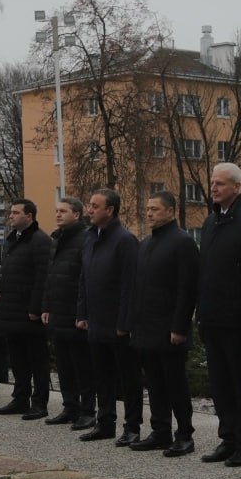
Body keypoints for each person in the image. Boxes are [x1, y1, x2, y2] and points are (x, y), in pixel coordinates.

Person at [197, 163, 241, 468]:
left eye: (221, 184)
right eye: (213, 183)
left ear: (238, 187)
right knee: (221, 384)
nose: (214, 188)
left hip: (239, 321)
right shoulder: (211, 222)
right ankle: (227, 438)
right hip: (212, 319)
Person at [130, 190, 199, 457]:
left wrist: (180, 327)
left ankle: (184, 435)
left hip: (170, 329)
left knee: (175, 384)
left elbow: (187, 289)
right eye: (147, 209)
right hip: (146, 327)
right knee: (155, 384)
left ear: (171, 211)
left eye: (155, 209)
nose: (149, 214)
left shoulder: (183, 242)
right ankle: (160, 431)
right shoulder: (145, 243)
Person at [75, 188, 143, 445]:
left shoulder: (125, 240)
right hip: (96, 322)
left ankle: (132, 427)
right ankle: (105, 423)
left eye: (95, 206)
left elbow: (130, 285)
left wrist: (125, 323)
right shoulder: (91, 238)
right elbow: (85, 278)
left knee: (128, 379)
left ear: (110, 211)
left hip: (118, 325)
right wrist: (82, 313)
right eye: (89, 205)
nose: (89, 210)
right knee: (101, 376)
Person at [0, 199, 52, 419]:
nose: (11, 216)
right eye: (10, 212)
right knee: (17, 359)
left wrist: (36, 307)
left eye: (16, 212)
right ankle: (20, 398)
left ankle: (39, 402)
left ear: (29, 216)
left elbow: (42, 276)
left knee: (37, 359)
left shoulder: (40, 241)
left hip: (29, 311)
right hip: (11, 310)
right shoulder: (11, 241)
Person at [41, 198, 96, 430]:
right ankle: (69, 407)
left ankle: (87, 411)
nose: (58, 215)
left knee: (81, 364)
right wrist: (46, 305)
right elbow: (50, 275)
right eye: (56, 211)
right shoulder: (56, 239)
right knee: (63, 364)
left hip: (75, 313)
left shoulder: (85, 238)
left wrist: (82, 312)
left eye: (63, 211)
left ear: (77, 214)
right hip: (58, 312)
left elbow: (85, 278)